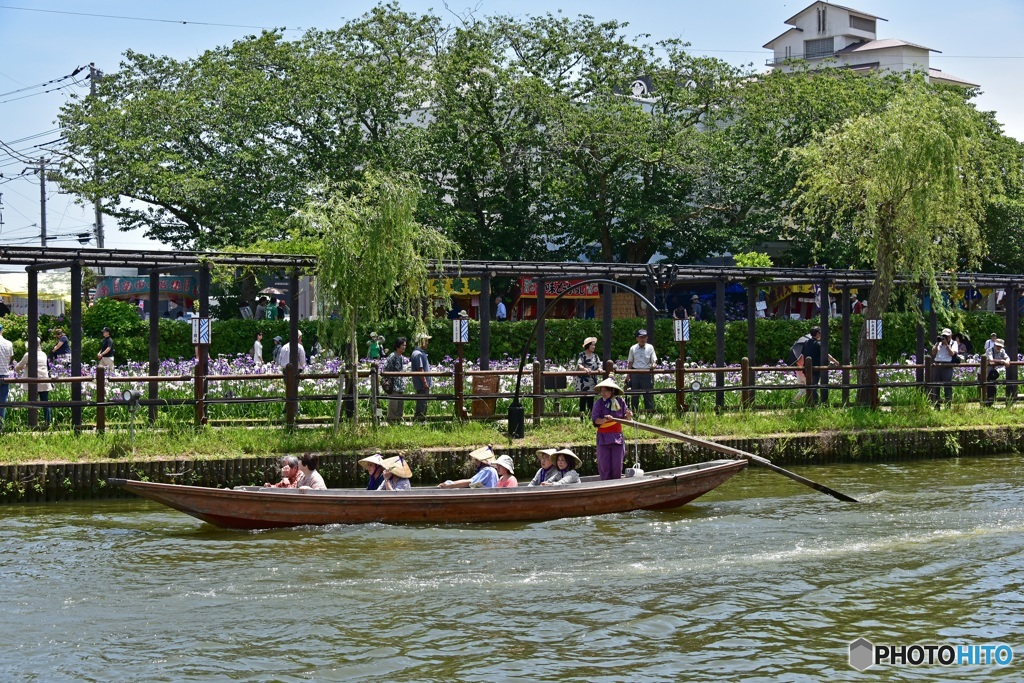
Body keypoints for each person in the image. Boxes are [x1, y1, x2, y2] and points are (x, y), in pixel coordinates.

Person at [591, 377, 632, 480]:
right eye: (602, 390)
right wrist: (604, 420)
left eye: (606, 390)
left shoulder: (620, 401)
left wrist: (628, 415)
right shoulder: (598, 403)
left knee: (617, 466)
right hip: (603, 438)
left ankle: (617, 487)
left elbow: (626, 419)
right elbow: (595, 421)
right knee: (604, 466)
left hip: (617, 437)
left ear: (612, 390)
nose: (603, 393)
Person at [15, 337, 52, 424]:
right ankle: (48, 422)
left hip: (33, 383)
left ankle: (33, 422)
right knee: (45, 403)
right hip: (44, 381)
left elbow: (19, 366)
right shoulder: (44, 354)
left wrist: (17, 370)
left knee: (32, 403)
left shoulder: (28, 354)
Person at [627, 329, 657, 412]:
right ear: (637, 338)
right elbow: (630, 362)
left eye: (644, 337)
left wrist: (654, 364)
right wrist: (628, 375)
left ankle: (650, 413)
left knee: (648, 394)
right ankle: (634, 413)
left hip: (646, 373)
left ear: (647, 338)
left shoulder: (650, 347)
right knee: (634, 395)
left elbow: (654, 360)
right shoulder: (632, 348)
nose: (643, 339)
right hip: (635, 373)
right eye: (641, 337)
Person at [930, 327, 959, 407]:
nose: (945, 337)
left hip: (947, 365)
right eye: (944, 335)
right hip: (937, 364)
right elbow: (933, 353)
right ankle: (936, 405)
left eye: (946, 336)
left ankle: (948, 404)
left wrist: (946, 345)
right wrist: (936, 343)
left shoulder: (953, 343)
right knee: (936, 385)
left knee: (947, 385)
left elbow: (952, 354)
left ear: (950, 336)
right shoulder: (939, 343)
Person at [382, 337, 408, 422]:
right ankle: (391, 421)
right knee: (393, 404)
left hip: (400, 385)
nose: (404, 347)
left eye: (405, 345)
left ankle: (398, 421)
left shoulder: (401, 357)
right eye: (402, 345)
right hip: (393, 385)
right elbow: (385, 368)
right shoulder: (392, 356)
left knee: (400, 404)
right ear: (397, 346)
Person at [575, 337, 602, 416]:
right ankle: (582, 418)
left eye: (594, 345)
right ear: (588, 345)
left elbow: (599, 364)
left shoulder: (596, 356)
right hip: (583, 381)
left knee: (591, 399)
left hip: (592, 381)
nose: (594, 347)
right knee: (582, 399)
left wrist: (599, 369)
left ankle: (591, 417)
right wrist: (585, 369)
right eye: (592, 345)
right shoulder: (582, 355)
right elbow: (579, 364)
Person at [411, 332, 432, 421]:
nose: (427, 343)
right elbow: (420, 369)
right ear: (421, 342)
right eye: (426, 341)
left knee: (423, 402)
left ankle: (421, 420)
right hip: (422, 384)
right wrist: (425, 382)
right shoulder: (418, 354)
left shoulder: (420, 352)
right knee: (422, 402)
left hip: (423, 383)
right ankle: (419, 420)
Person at [985, 338, 1010, 405]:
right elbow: (991, 360)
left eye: (1000, 346)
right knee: (983, 387)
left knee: (992, 387)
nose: (999, 347)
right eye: (997, 346)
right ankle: (984, 404)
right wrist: (1001, 361)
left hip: (992, 373)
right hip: (984, 372)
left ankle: (990, 402)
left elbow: (1007, 357)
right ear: (994, 345)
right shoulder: (989, 350)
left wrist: (1007, 361)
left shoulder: (1002, 351)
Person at [0, 323, 15, 430]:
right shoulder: (9, 344)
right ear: (2, 331)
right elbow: (9, 360)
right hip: (4, 375)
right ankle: (1, 426)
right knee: (2, 402)